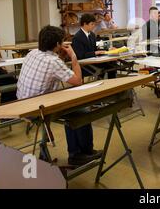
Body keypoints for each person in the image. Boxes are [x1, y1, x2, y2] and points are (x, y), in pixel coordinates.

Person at [16, 25, 101, 166]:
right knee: (81, 112)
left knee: (71, 106)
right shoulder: (53, 61)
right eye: (61, 42)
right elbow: (78, 81)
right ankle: (80, 154)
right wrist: (73, 57)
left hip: (22, 103)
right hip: (37, 109)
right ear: (57, 45)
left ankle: (77, 152)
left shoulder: (32, 53)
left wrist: (59, 55)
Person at [72, 14, 117, 79]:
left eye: (94, 24)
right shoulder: (77, 37)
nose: (94, 26)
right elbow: (80, 56)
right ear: (85, 24)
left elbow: (97, 46)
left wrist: (109, 48)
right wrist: (95, 53)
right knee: (107, 66)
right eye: (92, 24)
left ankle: (113, 85)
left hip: (94, 61)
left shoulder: (92, 34)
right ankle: (102, 83)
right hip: (85, 65)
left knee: (112, 64)